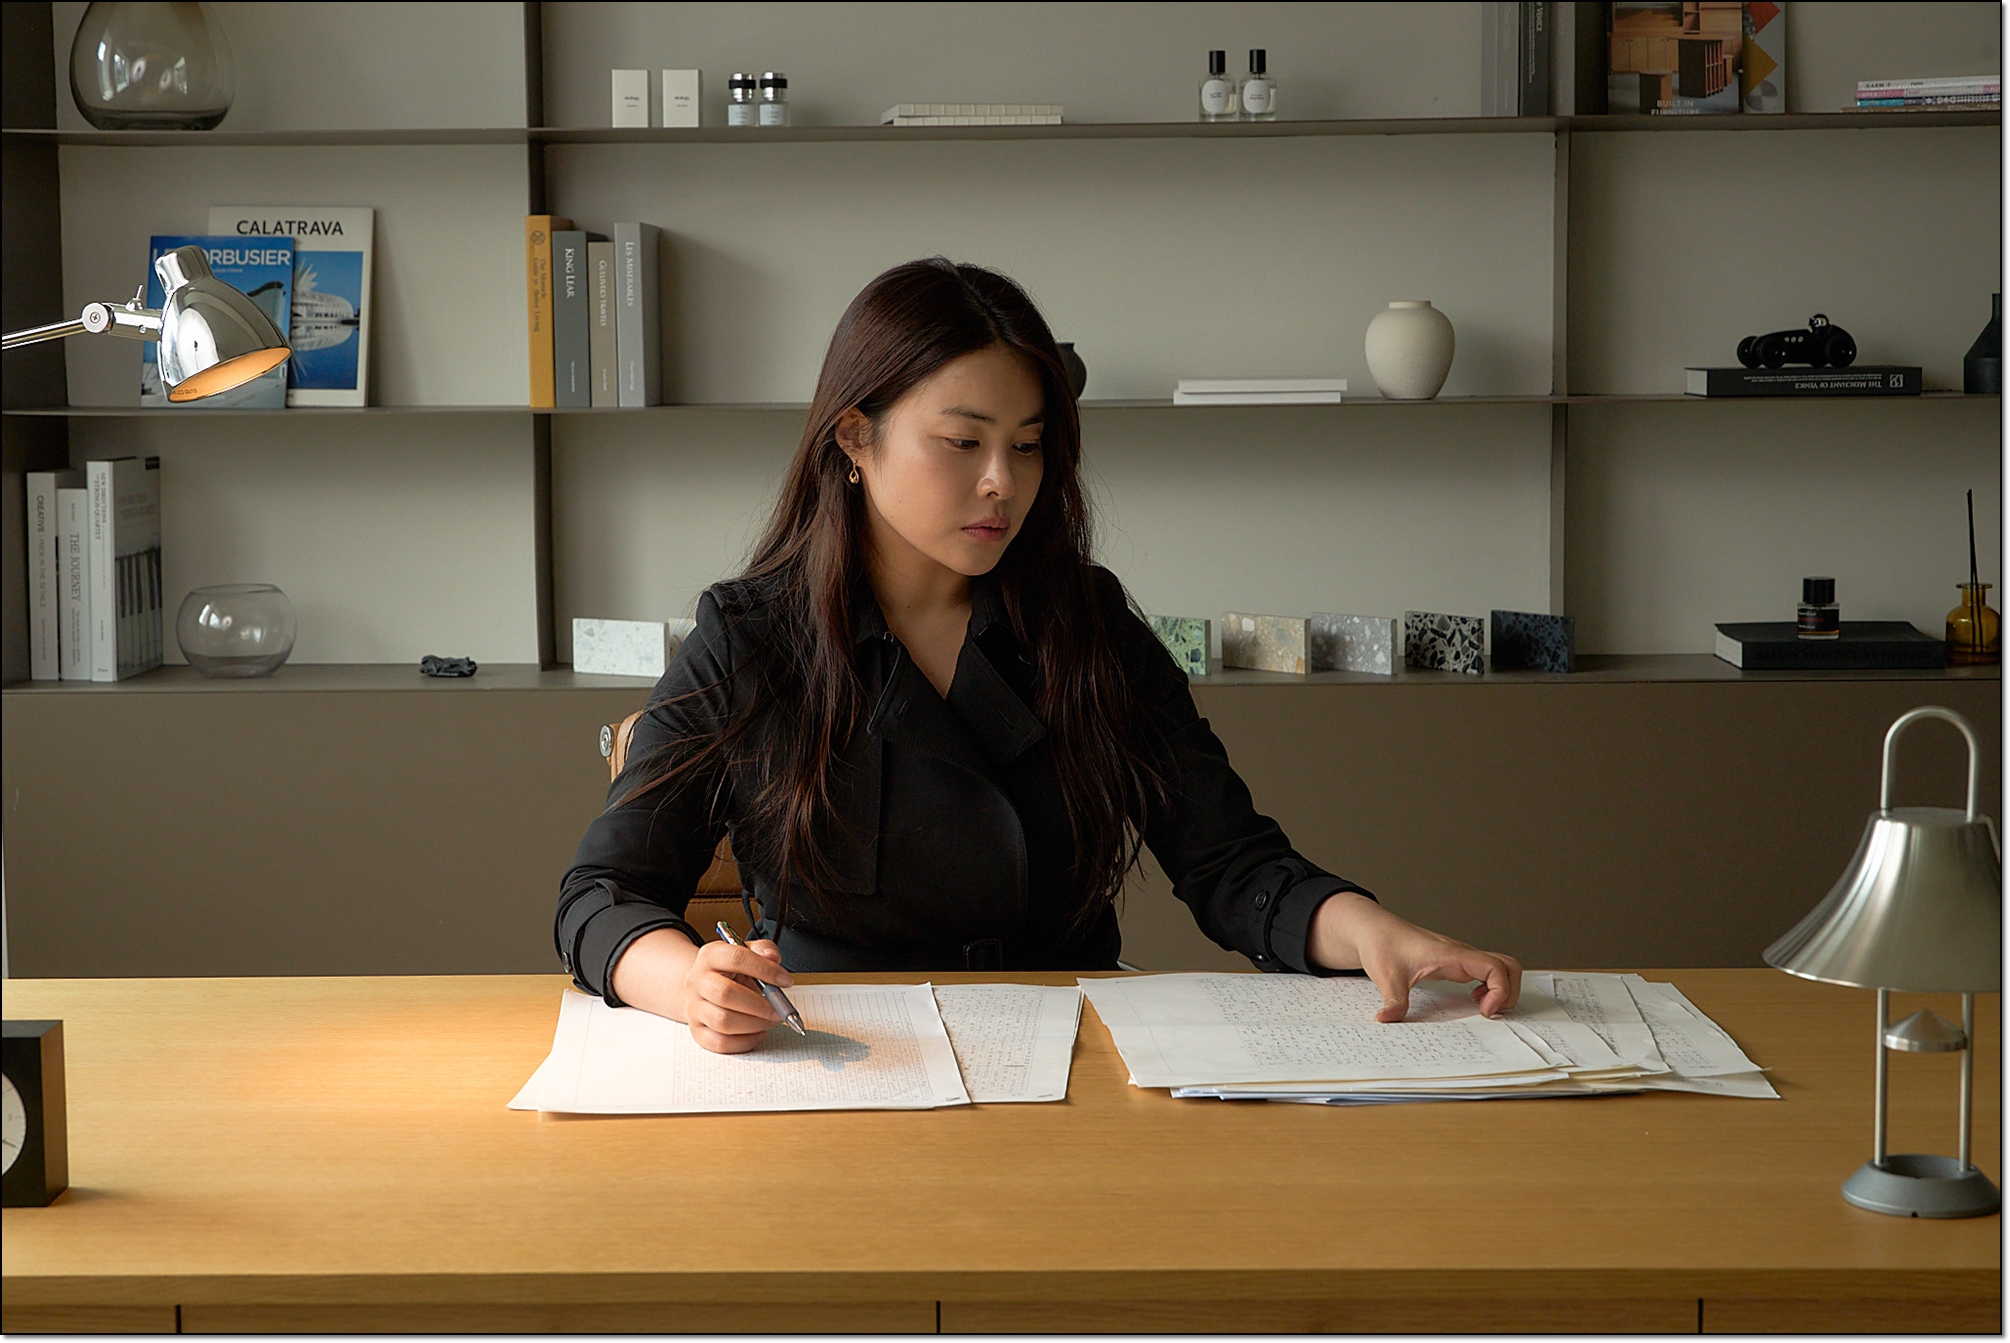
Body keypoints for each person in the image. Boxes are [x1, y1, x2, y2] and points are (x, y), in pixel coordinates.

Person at [556, 258, 1521, 1054]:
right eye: (962, 441)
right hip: (842, 1059)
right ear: (856, 437)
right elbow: (604, 894)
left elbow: (1231, 862)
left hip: (1073, 1052)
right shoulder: (753, 634)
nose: (1000, 483)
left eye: (1027, 446)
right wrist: (689, 982)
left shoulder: (1085, 622)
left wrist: (1373, 929)